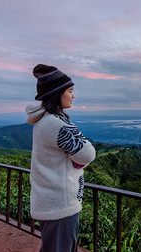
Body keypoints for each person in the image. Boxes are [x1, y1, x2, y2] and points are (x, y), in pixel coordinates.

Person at [26, 64, 96, 252]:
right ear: (57, 93)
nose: (73, 96)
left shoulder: (43, 120)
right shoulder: (56, 123)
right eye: (70, 91)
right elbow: (88, 153)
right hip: (60, 205)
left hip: (50, 202)